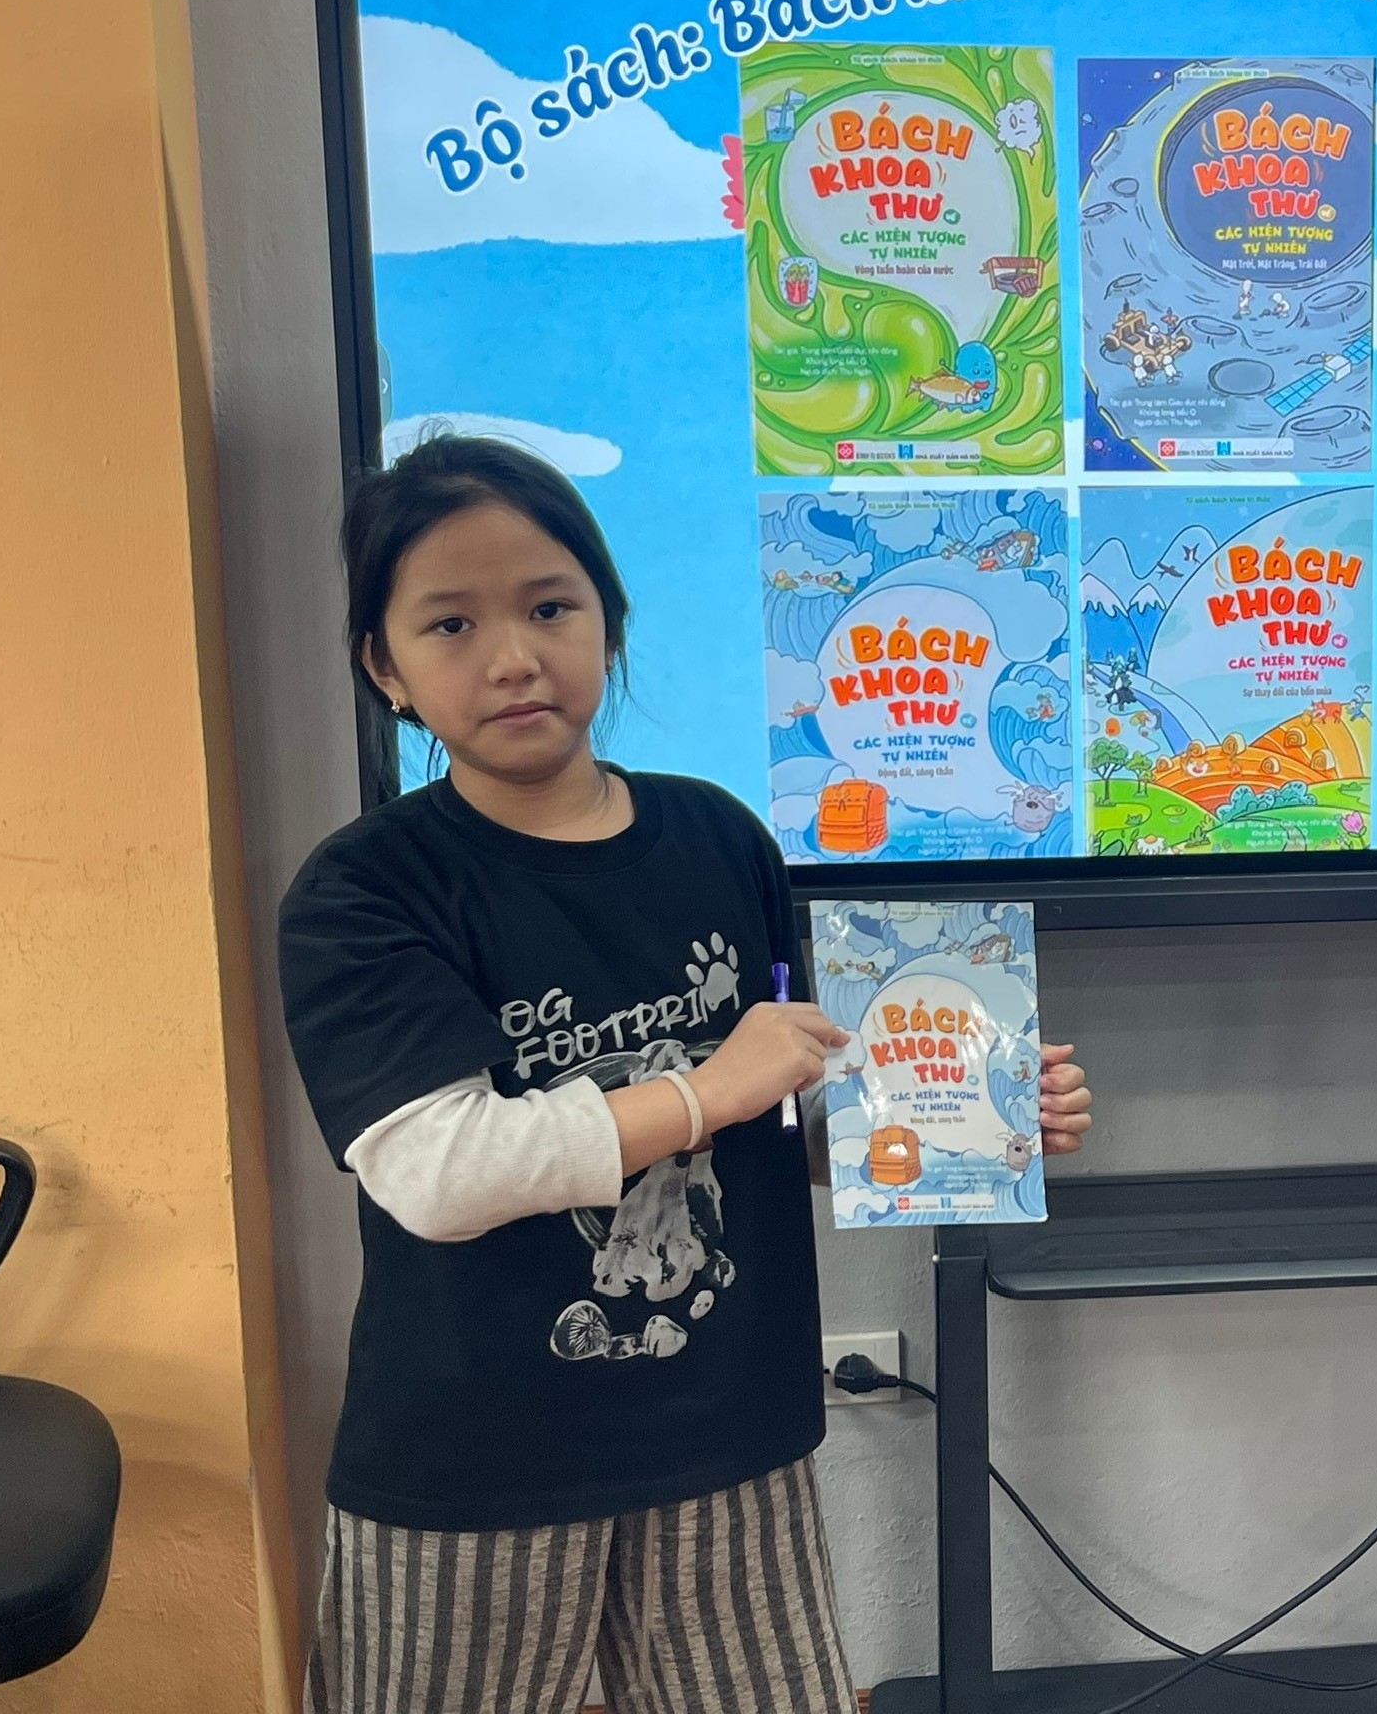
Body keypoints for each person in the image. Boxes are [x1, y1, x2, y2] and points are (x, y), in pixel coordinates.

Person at [278, 434, 1094, 1714]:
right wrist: (705, 1088)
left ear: (608, 619)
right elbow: (435, 1173)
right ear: (385, 666)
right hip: (470, 1461)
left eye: (551, 606)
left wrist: (964, 1116)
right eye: (449, 624)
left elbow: (776, 1118)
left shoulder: (716, 833)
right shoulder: (366, 889)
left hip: (731, 1436)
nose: (512, 656)